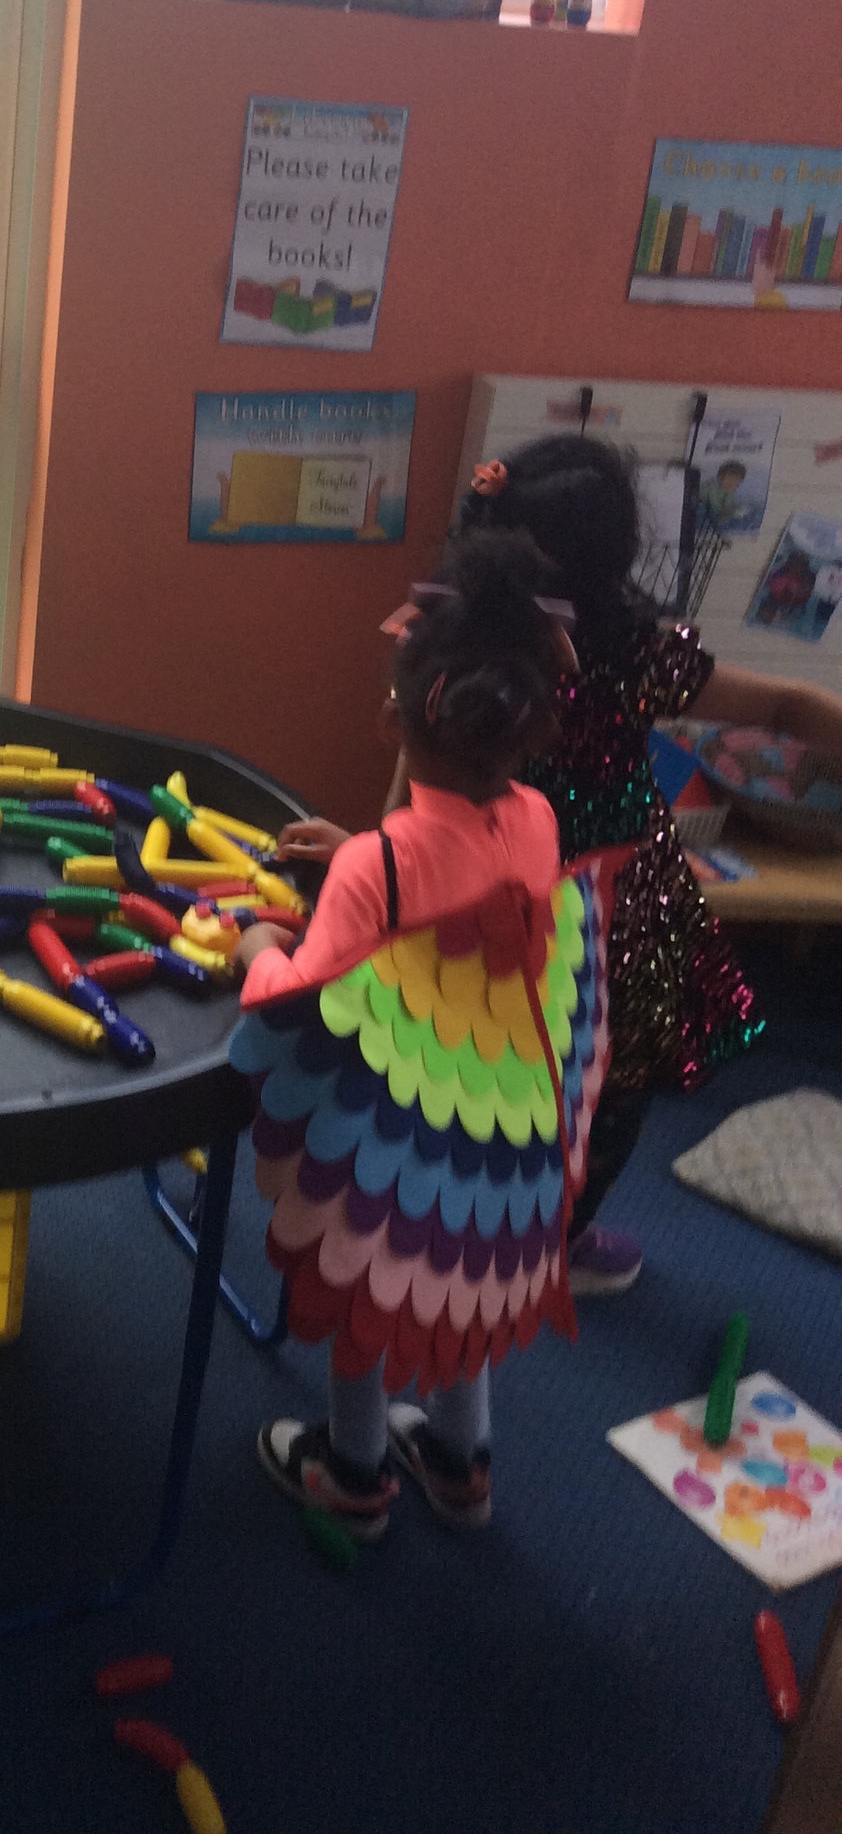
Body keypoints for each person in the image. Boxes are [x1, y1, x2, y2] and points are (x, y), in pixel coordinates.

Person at [231, 533, 618, 1541]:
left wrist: (256, 946)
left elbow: (298, 999)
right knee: (465, 1269)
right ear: (530, 727)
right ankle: (459, 1463)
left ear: (394, 721)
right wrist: (365, 846)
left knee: (375, 1276)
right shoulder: (536, 817)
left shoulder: (379, 871)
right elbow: (458, 871)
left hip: (398, 1133)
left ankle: (353, 1475)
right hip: (508, 1125)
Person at [412, 435, 842, 1295]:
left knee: (471, 1061)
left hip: (493, 887)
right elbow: (788, 704)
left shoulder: (459, 638)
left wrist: (390, 847)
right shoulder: (638, 652)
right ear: (616, 556)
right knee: (610, 1087)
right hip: (615, 909)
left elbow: (416, 757)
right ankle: (553, 1245)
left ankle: (457, 1218)